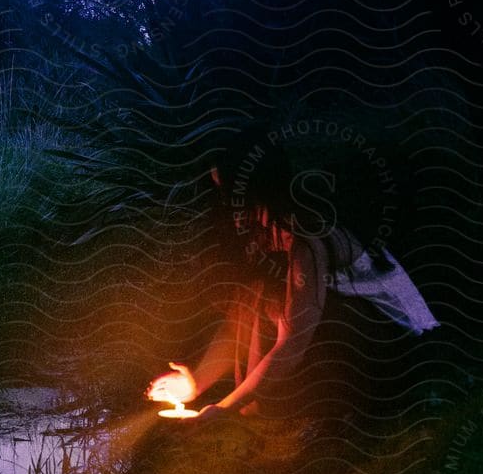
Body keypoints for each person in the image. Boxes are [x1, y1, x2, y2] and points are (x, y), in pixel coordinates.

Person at [148, 139, 438, 436]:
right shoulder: (271, 233)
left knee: (275, 301)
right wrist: (195, 382)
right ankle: (304, 408)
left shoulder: (305, 239)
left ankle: (357, 406)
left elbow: (293, 343)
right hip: (367, 327)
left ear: (254, 191)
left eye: (229, 192)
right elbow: (238, 320)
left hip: (397, 340)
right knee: (256, 295)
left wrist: (223, 409)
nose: (225, 204)